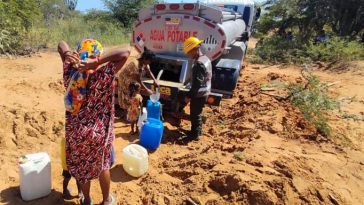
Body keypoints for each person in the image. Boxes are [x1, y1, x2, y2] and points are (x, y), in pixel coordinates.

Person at [58, 39, 130, 205]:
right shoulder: (104, 73)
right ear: (96, 56)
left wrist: (69, 55)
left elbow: (61, 44)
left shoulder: (70, 71)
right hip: (99, 133)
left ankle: (87, 200)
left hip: (76, 132)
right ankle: (106, 200)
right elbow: (126, 51)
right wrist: (96, 62)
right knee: (103, 165)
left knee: (82, 169)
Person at [182, 37, 212, 141]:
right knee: (197, 113)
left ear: (195, 49)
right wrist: (187, 81)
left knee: (195, 114)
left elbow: (197, 85)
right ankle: (197, 131)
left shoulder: (199, 63)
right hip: (205, 91)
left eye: (189, 52)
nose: (188, 54)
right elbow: (200, 77)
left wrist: (188, 96)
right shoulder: (205, 59)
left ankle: (194, 135)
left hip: (199, 93)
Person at [117, 47, 159, 118]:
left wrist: (154, 80)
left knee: (133, 95)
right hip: (124, 79)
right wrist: (147, 90)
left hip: (132, 79)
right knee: (127, 97)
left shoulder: (144, 62)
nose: (150, 63)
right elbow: (138, 79)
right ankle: (127, 114)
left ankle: (129, 113)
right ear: (145, 58)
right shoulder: (135, 64)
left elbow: (149, 71)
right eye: (149, 61)